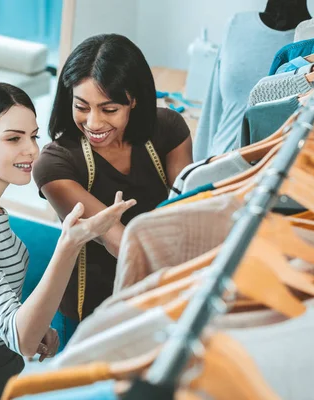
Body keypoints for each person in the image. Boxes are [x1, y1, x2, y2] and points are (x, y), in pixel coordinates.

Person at [0, 82, 136, 399]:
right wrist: (71, 244)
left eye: (33, 136)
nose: (32, 150)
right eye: (14, 138)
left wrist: (34, 322)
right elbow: (22, 339)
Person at [33, 34, 193, 340]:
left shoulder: (169, 130)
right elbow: (120, 242)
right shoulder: (55, 164)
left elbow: (186, 211)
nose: (93, 123)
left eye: (109, 110)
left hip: (161, 291)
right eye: (82, 106)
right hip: (91, 307)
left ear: (132, 99)